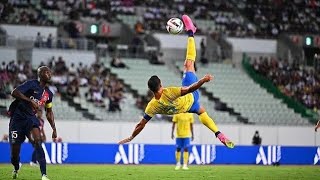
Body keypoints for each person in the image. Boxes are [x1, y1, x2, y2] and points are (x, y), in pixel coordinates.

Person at [118, 15, 234, 149]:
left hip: (188, 108)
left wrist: (131, 137)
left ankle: (219, 133)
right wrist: (203, 80)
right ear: (160, 84)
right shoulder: (170, 92)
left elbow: (141, 124)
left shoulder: (151, 106)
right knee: (189, 64)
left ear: (151, 90)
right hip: (191, 97)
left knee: (201, 111)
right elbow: (190, 89)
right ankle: (191, 32)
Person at [8, 66, 57, 180]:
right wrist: (29, 100)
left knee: (38, 142)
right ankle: (16, 167)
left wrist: (54, 128)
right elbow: (14, 92)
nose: (49, 74)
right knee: (14, 153)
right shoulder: (31, 84)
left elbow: (49, 112)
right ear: (40, 75)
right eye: (46, 72)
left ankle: (44, 175)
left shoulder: (48, 94)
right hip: (17, 119)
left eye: (50, 72)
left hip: (31, 118)